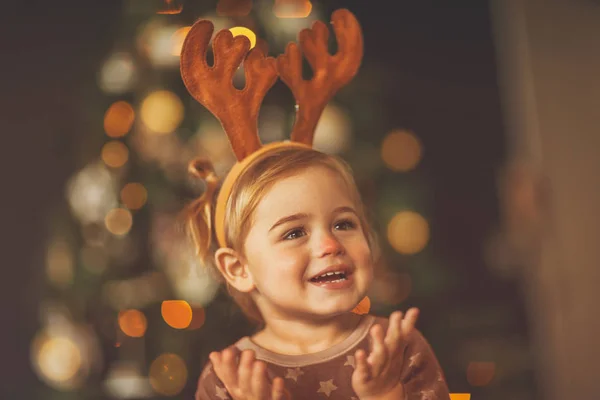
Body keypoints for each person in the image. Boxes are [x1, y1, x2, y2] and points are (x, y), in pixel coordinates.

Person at [179, 8, 451, 400]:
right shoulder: (230, 379)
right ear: (238, 269)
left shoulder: (396, 349)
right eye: (294, 232)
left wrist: (387, 394)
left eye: (343, 224)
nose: (329, 245)